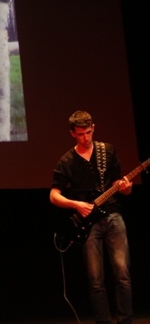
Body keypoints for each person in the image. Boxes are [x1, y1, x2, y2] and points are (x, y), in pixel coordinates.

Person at [50, 110, 133, 324]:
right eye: (80, 134)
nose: (85, 138)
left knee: (122, 273)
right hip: (88, 223)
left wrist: (125, 187)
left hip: (113, 214)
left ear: (93, 128)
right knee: (96, 279)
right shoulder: (66, 161)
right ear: (72, 134)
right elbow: (54, 195)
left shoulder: (108, 151)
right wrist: (75, 204)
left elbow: (123, 189)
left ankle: (125, 320)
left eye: (88, 132)